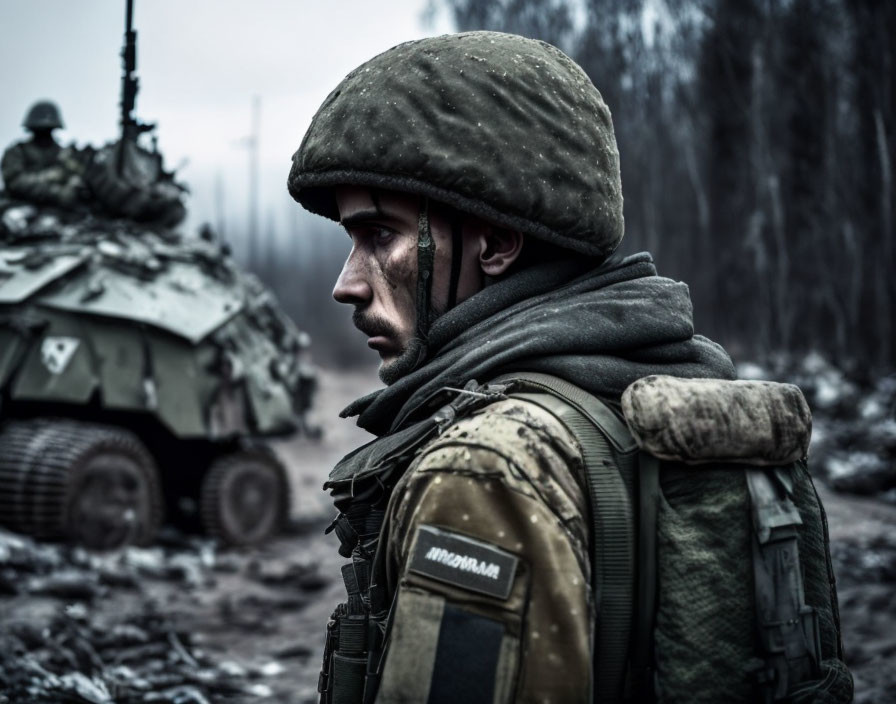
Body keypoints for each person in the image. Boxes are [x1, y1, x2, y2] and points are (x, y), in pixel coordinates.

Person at [288, 32, 850, 703]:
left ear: (493, 243)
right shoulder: (662, 395)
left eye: (380, 235)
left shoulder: (484, 471)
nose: (346, 284)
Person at [1, 100, 88, 208]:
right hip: (21, 206)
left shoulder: (63, 153)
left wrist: (73, 182)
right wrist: (53, 186)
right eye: (40, 131)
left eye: (48, 131)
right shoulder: (17, 152)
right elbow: (15, 182)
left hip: (58, 210)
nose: (45, 136)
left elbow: (78, 179)